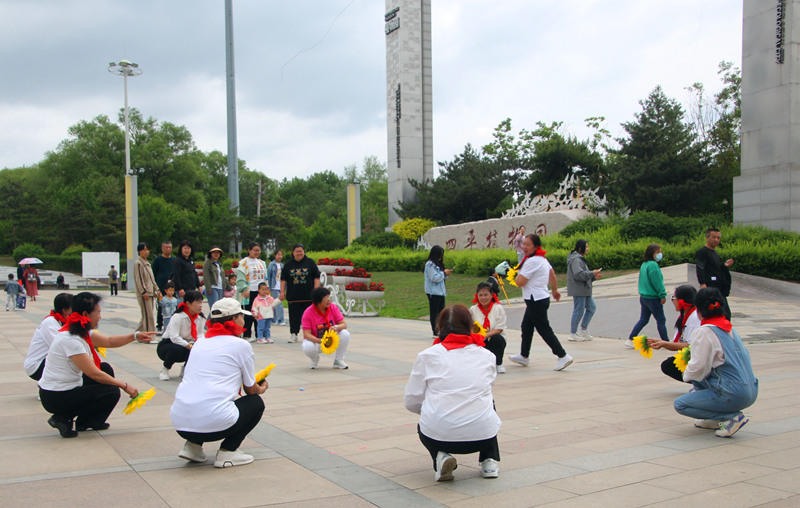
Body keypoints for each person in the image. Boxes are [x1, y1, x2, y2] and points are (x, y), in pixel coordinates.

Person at [405, 305, 501, 482]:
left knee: (430, 416)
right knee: (487, 400)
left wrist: (434, 409)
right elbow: (488, 385)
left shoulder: (427, 355)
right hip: (483, 437)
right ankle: (489, 460)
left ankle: (440, 457)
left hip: (438, 436)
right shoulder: (487, 355)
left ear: (439, 327)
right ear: (471, 326)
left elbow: (411, 401)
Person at [38, 292, 154, 438]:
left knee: (105, 369)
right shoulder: (70, 339)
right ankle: (62, 417)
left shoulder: (80, 331)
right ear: (86, 314)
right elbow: (93, 373)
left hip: (66, 388)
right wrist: (125, 385)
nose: (100, 316)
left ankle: (87, 421)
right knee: (111, 390)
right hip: (55, 396)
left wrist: (135, 336)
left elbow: (109, 341)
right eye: (98, 313)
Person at [169, 298, 267, 468]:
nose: (244, 321)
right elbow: (250, 390)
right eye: (241, 317)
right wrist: (262, 388)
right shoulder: (240, 345)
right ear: (235, 319)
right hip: (214, 425)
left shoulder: (199, 343)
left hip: (180, 423)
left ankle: (192, 446)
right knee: (256, 403)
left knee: (202, 397)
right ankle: (228, 452)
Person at [673, 288, 758, 438]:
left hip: (734, 393)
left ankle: (730, 417)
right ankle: (714, 418)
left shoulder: (704, 331)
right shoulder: (728, 327)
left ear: (698, 309)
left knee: (681, 404)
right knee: (699, 381)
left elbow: (698, 366)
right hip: (750, 389)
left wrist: (686, 375)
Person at [509, 234, 573, 371]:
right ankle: (524, 356)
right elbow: (552, 274)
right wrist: (554, 290)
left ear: (536, 246)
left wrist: (513, 275)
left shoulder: (532, 261)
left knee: (544, 329)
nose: (524, 247)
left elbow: (520, 282)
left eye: (528, 244)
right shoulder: (542, 259)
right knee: (526, 326)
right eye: (524, 244)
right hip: (540, 298)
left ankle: (563, 355)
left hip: (535, 300)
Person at [647, 285, 702, 382]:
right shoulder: (684, 317)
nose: (672, 301)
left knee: (670, 365)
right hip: (691, 353)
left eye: (673, 298)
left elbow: (691, 345)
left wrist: (664, 343)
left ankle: (701, 383)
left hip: (699, 356)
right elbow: (677, 344)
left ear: (681, 301)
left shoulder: (695, 317)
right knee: (669, 364)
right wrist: (660, 343)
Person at [625, 243, 669, 348]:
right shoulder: (653, 265)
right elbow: (657, 282)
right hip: (653, 298)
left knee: (643, 319)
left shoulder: (644, 264)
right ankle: (666, 341)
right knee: (661, 320)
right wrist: (662, 295)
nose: (660, 254)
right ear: (652, 253)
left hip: (644, 297)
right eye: (658, 252)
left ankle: (631, 339)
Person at [24, 293, 73, 380]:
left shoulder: (61, 321)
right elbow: (61, 348)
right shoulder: (50, 323)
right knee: (70, 361)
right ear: (65, 310)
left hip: (45, 361)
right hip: (36, 366)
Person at [158, 290, 204, 381]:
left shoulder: (200, 318)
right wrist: (189, 346)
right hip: (168, 344)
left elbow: (200, 334)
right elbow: (174, 337)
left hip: (186, 344)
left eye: (201, 302)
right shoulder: (178, 316)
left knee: (199, 349)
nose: (200, 305)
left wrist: (199, 345)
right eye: (197, 302)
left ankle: (185, 369)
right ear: (188, 304)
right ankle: (165, 369)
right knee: (176, 349)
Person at [280, 243, 321, 343]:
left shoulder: (310, 263)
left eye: (301, 251)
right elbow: (283, 279)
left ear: (304, 252)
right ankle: (294, 334)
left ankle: (311, 335)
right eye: (297, 251)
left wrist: (316, 290)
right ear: (293, 253)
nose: (299, 253)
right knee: (294, 317)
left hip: (309, 296)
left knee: (310, 316)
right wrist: (282, 292)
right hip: (293, 296)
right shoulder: (288, 264)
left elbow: (316, 277)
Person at [301, 287, 350, 369]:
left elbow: (344, 324)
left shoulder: (333, 308)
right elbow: (307, 334)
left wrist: (336, 327)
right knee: (307, 346)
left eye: (328, 297)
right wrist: (319, 341)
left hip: (331, 339)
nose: (328, 300)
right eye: (325, 298)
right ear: (318, 300)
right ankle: (314, 359)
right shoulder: (308, 313)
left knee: (345, 334)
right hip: (317, 341)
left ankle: (338, 360)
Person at [566, 239, 602, 341]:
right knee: (579, 310)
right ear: (580, 248)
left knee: (591, 308)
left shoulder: (580, 259)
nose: (588, 249)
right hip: (579, 289)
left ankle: (583, 330)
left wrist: (594, 277)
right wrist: (592, 273)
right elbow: (578, 274)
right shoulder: (576, 260)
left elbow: (583, 274)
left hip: (585, 289)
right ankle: (572, 333)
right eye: (586, 247)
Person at [469, 282, 507, 373]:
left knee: (497, 338)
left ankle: (498, 363)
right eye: (480, 295)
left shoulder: (498, 308)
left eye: (486, 295)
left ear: (491, 295)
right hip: (479, 340)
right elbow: (470, 326)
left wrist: (485, 335)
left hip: (493, 339)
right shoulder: (473, 310)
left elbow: (499, 328)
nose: (483, 298)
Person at [696, 228, 734, 320]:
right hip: (710, 287)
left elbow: (715, 267)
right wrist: (703, 284)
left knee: (725, 313)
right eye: (714, 237)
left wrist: (725, 265)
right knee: (717, 313)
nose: (716, 240)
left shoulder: (715, 253)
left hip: (719, 287)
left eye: (718, 237)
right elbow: (700, 267)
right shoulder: (703, 252)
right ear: (707, 238)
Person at [239, 242, 267, 339]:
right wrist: (244, 289)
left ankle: (259, 335)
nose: (257, 252)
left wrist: (266, 290)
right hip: (249, 291)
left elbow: (265, 277)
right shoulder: (243, 263)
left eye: (258, 250)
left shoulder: (261, 263)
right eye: (255, 250)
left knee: (259, 313)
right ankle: (247, 334)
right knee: (249, 313)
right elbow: (241, 277)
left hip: (260, 292)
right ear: (249, 250)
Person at [423, 245, 452, 338]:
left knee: (442, 312)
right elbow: (434, 277)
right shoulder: (430, 264)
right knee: (434, 313)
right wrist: (443, 273)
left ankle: (442, 330)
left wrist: (446, 274)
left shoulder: (437, 264)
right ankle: (435, 332)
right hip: (433, 292)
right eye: (440, 254)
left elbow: (440, 276)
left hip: (440, 292)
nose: (441, 257)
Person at [134, 242, 158, 333]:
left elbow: (151, 279)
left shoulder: (147, 263)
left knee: (146, 315)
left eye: (148, 249)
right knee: (148, 316)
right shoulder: (138, 263)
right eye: (144, 250)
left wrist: (156, 289)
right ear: (139, 251)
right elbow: (138, 279)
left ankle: (137, 334)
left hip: (150, 291)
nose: (146, 252)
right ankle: (149, 336)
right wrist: (143, 291)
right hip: (145, 293)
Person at [152, 241, 176, 331]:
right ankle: (159, 324)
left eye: (170, 247)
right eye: (166, 247)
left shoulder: (174, 260)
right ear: (162, 248)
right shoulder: (157, 261)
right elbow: (153, 274)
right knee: (161, 307)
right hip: (161, 288)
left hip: (171, 288)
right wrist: (156, 289)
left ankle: (171, 324)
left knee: (172, 306)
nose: (168, 249)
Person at [203, 246, 231, 311]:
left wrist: (229, 288)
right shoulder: (208, 263)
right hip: (212, 288)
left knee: (219, 309)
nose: (216, 254)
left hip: (220, 288)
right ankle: (209, 321)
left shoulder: (219, 264)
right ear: (211, 253)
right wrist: (208, 288)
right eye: (214, 252)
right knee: (214, 309)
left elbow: (223, 277)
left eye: (218, 252)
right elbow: (206, 276)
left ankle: (213, 321)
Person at [267, 249, 286, 326]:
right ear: (274, 255)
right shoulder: (272, 264)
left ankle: (273, 319)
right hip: (274, 286)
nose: (280, 256)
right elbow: (269, 275)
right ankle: (280, 320)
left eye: (281, 255)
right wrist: (268, 286)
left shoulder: (282, 265)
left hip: (280, 286)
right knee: (279, 303)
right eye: (278, 255)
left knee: (275, 303)